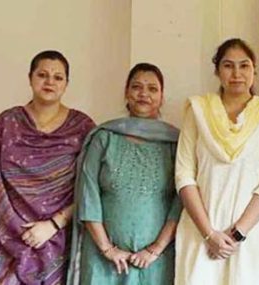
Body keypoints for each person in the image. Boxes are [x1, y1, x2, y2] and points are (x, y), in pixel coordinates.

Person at [174, 38, 259, 284]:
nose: (237, 73)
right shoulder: (198, 110)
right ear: (217, 71)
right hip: (200, 230)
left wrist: (237, 234)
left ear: (254, 71)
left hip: (252, 234)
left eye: (244, 66)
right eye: (228, 66)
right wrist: (209, 234)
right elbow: (184, 175)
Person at [0, 50, 95, 284]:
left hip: (60, 236)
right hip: (2, 234)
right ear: (30, 78)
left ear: (66, 84)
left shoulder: (82, 127)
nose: (49, 81)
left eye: (58, 77)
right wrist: (14, 227)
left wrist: (53, 225)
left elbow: (92, 187)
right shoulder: (7, 122)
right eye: (42, 74)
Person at [67, 63, 181, 284]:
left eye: (152, 89)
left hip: (156, 262)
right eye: (137, 87)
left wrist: (155, 250)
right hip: (103, 261)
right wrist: (107, 249)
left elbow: (180, 203)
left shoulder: (175, 143)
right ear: (126, 93)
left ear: (162, 96)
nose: (144, 94)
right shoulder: (104, 137)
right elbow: (88, 195)